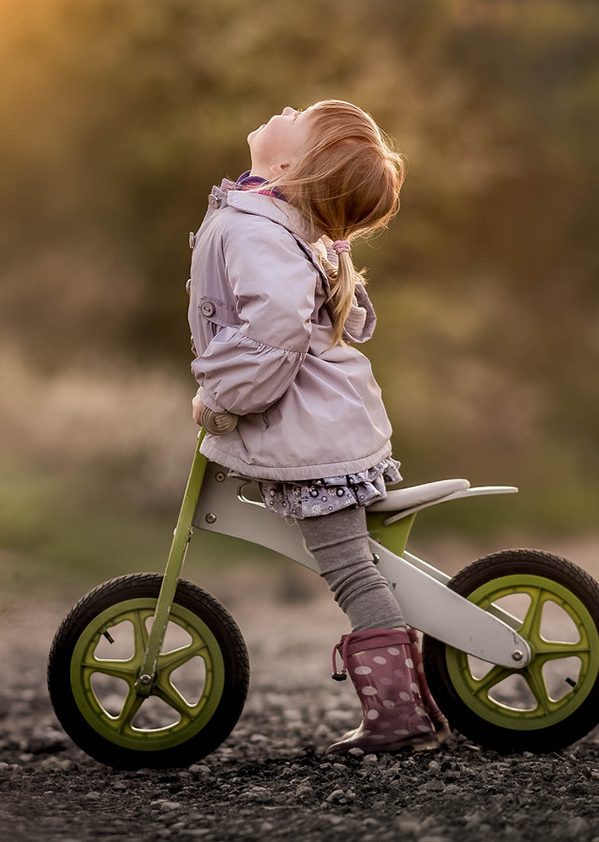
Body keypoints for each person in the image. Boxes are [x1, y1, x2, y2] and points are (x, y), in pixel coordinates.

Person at [186, 99, 449, 755]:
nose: (284, 107)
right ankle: (417, 704)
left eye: (297, 116)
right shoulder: (270, 220)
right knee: (365, 567)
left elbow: (273, 335)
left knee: (353, 573)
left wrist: (222, 399)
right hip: (325, 430)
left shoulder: (257, 229)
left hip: (315, 443)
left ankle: (400, 720)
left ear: (286, 164)